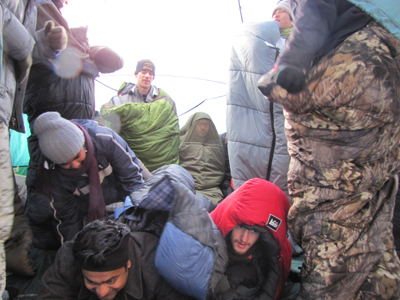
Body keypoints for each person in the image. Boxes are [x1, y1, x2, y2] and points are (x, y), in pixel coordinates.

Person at [257, 0, 400, 299]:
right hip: (390, 66)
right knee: (368, 199)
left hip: (357, 61)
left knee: (329, 205)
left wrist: (290, 63)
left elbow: (316, 10)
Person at [23, 0, 124, 250]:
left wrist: (92, 51)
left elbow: (116, 63)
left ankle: (88, 243)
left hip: (83, 135)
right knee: (43, 200)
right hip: (48, 133)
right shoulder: (35, 10)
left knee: (89, 190)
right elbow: (17, 46)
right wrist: (43, 43)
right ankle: (44, 250)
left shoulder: (77, 40)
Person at [32, 111, 144, 249]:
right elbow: (68, 220)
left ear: (83, 143)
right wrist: (76, 251)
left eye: (76, 156)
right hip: (90, 214)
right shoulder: (53, 176)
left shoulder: (106, 139)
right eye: (65, 164)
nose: (76, 165)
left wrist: (137, 221)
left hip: (122, 201)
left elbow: (132, 181)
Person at [226, 0, 293, 195]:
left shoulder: (302, 47)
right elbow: (245, 35)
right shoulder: (263, 41)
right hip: (258, 125)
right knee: (252, 191)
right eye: (275, 12)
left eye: (283, 11)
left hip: (285, 130)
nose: (277, 15)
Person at [37, 219, 195, 300]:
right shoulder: (68, 258)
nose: (102, 293)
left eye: (111, 281)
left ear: (128, 264)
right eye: (92, 282)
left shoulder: (155, 262)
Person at [210, 178, 292, 299]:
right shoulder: (209, 235)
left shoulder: (270, 260)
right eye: (240, 228)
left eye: (254, 231)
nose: (244, 238)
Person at [179, 112, 225, 204]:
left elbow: (219, 168)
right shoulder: (180, 143)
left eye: (206, 124)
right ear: (193, 125)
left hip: (212, 191)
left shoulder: (218, 145)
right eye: (200, 124)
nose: (203, 127)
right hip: (187, 187)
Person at [102, 59, 177, 115]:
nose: (147, 76)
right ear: (136, 75)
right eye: (143, 72)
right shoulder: (120, 100)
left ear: (153, 77)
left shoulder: (165, 101)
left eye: (150, 73)